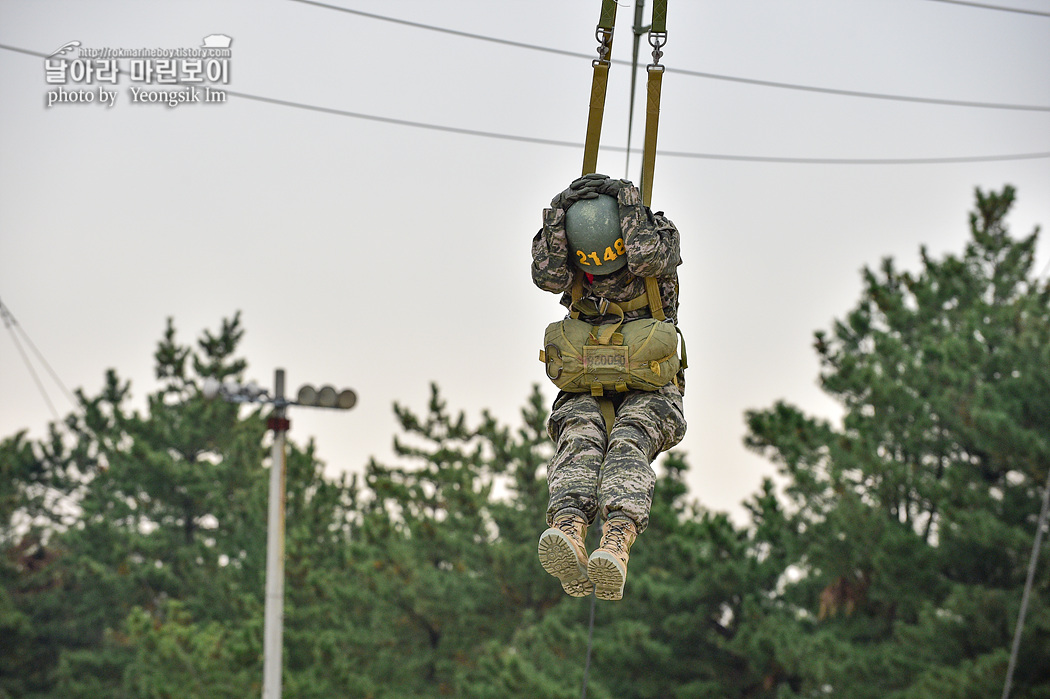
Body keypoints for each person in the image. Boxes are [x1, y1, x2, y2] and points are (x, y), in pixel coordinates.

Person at [531, 173, 687, 600]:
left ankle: (617, 539)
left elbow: (649, 257)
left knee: (627, 441)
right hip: (586, 387)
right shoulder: (573, 257)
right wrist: (558, 220)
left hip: (652, 392)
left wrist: (628, 206)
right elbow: (545, 276)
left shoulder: (655, 238)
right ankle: (569, 530)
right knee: (578, 440)